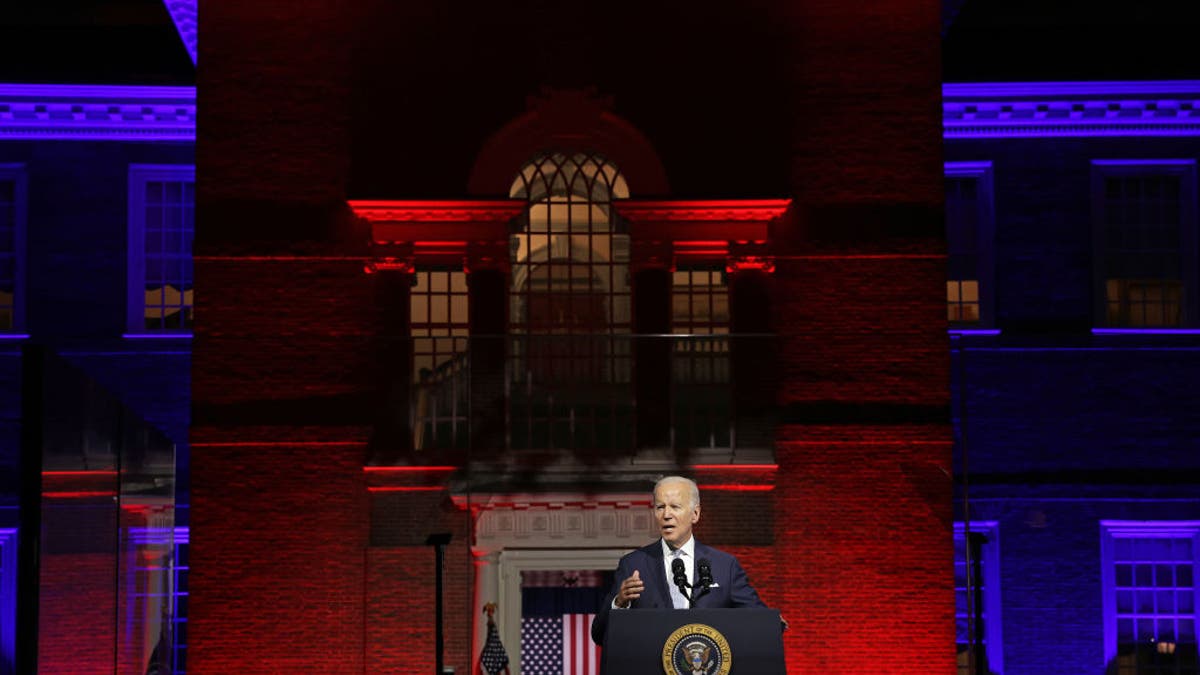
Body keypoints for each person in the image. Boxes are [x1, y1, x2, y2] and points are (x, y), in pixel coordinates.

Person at [590, 475, 766, 645]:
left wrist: (772, 622)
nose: (666, 514)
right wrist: (619, 603)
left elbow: (759, 619)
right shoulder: (633, 565)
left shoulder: (724, 566)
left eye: (675, 507)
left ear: (695, 514)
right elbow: (599, 634)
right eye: (660, 507)